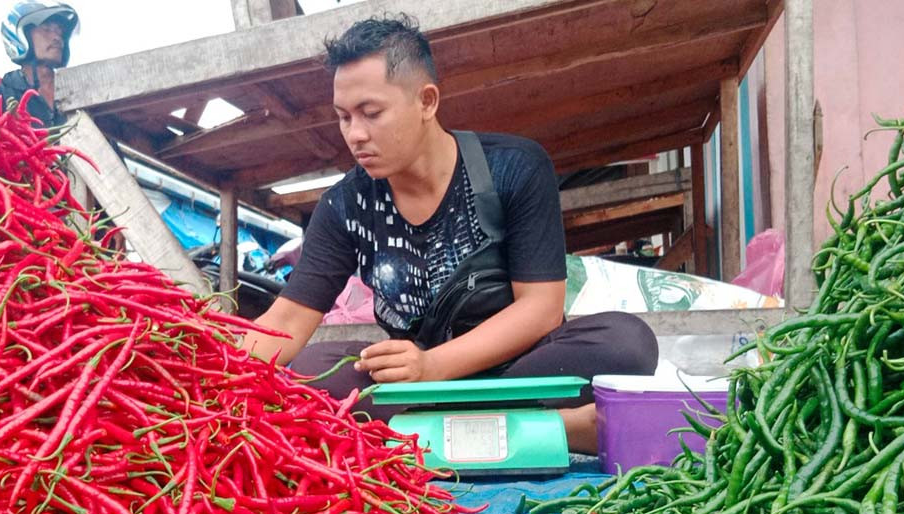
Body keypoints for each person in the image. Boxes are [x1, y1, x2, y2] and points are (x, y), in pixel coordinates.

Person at [242, 15, 658, 453]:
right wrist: (199, 366)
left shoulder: (514, 167)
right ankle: (551, 429)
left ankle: (423, 436)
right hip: (415, 385)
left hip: (518, 372)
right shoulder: (343, 207)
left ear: (426, 101)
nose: (355, 134)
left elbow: (541, 310)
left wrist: (431, 365)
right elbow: (286, 322)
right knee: (305, 370)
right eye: (344, 117)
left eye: (372, 113)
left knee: (626, 343)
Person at [0, 2, 79, 128]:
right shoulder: (0, 91)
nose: (57, 37)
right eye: (47, 29)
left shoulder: (77, 89)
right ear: (23, 35)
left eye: (60, 32)